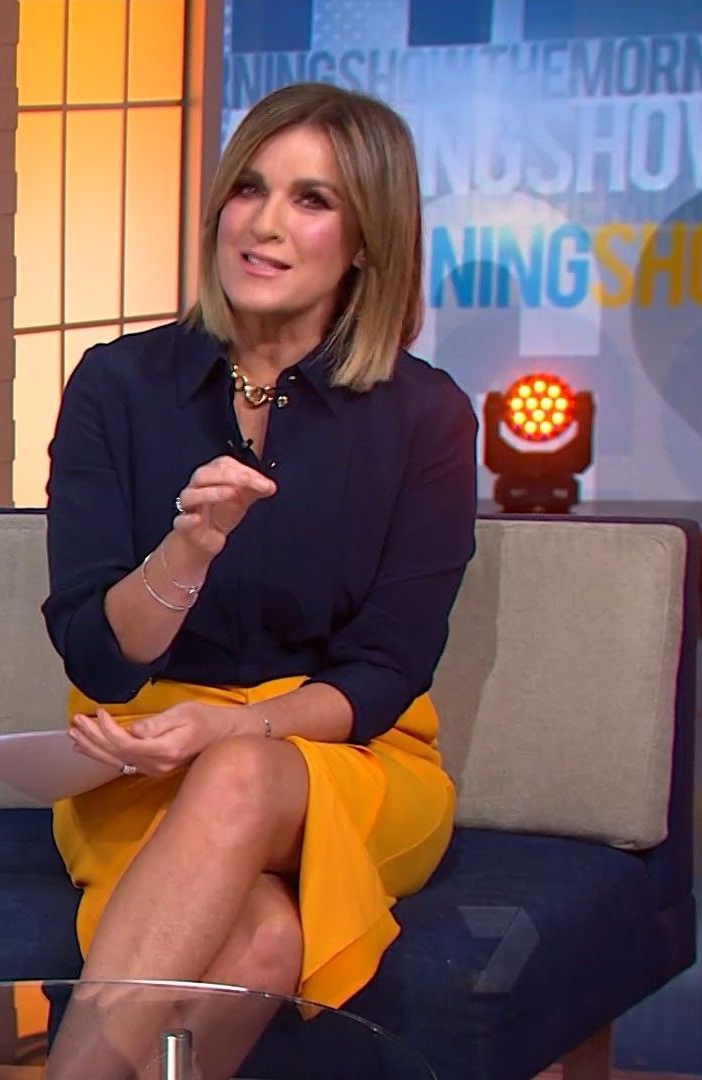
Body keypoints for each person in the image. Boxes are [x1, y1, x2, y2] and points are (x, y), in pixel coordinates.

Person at [39, 82, 475, 1075]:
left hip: (352, 759)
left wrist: (233, 730)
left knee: (239, 771)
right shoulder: (117, 385)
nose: (265, 224)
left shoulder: (426, 418)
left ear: (365, 240)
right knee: (265, 940)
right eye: (249, 189)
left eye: (311, 200)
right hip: (145, 755)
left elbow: (386, 670)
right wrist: (186, 551)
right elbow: (98, 660)